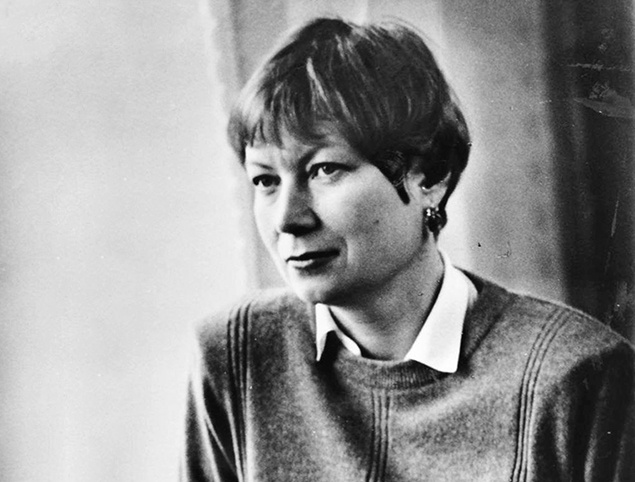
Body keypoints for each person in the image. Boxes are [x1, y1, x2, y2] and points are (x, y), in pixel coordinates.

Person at [180, 17, 635, 481]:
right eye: (265, 180)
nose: (286, 219)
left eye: (325, 169)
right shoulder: (237, 355)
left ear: (430, 177)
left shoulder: (576, 375)